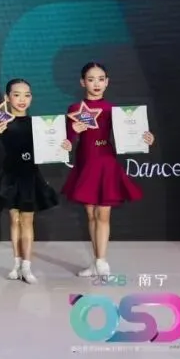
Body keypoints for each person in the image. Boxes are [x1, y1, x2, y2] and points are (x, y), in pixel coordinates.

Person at [63, 62, 155, 278]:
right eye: (91, 79)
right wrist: (72, 132)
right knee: (90, 215)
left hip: (106, 162)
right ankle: (96, 262)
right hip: (86, 163)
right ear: (82, 82)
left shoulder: (112, 110)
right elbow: (67, 140)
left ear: (107, 82)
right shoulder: (75, 109)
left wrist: (145, 138)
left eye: (101, 79)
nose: (96, 84)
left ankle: (102, 261)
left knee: (103, 214)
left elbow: (130, 134)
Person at [0, 78, 58, 284]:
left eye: (27, 95)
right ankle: (16, 265)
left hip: (29, 176)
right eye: (17, 95)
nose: (22, 99)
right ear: (7, 98)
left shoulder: (38, 125)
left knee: (27, 221)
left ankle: (27, 266)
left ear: (31, 98)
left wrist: (63, 146)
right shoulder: (1, 123)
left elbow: (50, 149)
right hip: (9, 177)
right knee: (14, 220)